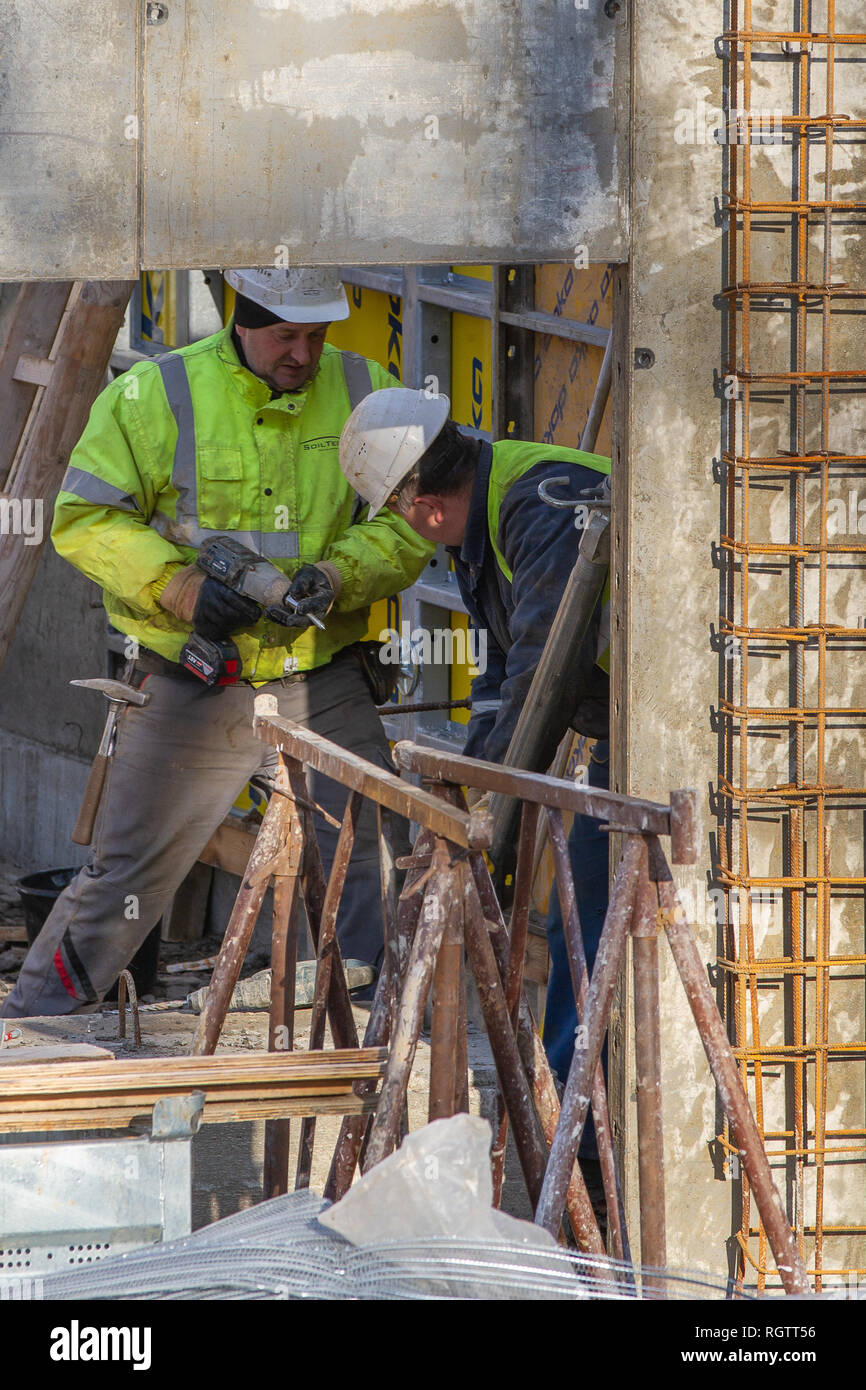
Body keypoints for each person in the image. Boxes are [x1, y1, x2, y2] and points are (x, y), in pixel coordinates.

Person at [1, 270, 432, 1019]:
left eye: (315, 337)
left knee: (369, 859)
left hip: (322, 677)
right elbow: (82, 519)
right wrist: (182, 590)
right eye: (284, 337)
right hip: (195, 682)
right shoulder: (157, 394)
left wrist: (336, 574)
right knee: (127, 879)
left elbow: (409, 519)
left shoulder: (365, 387)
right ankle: (35, 1030)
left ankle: (374, 1031)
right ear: (242, 319)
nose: (302, 354)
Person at [338, 386, 610, 1096]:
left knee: (596, 908)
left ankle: (573, 1116)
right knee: (585, 902)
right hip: (629, 717)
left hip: (678, 713)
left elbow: (545, 668)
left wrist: (491, 817)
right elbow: (500, 679)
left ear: (420, 506)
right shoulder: (483, 519)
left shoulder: (539, 503)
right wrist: (473, 790)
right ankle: (570, 1097)